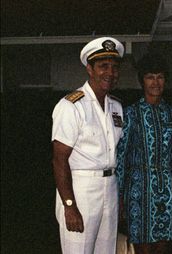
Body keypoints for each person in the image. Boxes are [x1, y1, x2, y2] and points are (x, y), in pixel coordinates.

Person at [51, 37, 125, 254]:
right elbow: (59, 159)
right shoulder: (72, 106)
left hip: (110, 188)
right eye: (103, 66)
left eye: (114, 67)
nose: (110, 73)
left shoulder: (116, 106)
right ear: (89, 69)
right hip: (81, 190)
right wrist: (69, 205)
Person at [116, 52, 172, 254]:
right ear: (142, 81)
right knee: (143, 248)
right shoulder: (130, 113)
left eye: (160, 77)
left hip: (168, 192)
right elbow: (121, 158)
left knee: (165, 248)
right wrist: (120, 195)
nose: (155, 82)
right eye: (150, 77)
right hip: (139, 193)